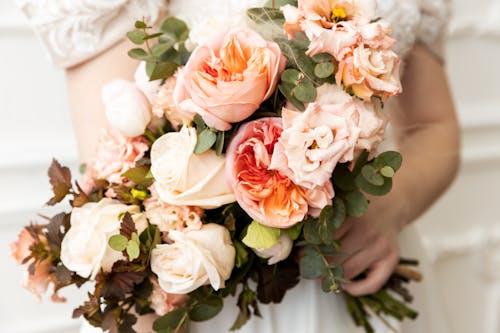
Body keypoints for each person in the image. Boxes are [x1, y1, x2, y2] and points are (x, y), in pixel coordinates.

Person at [17, 0, 460, 332]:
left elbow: (433, 125)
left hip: (361, 266)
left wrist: (392, 205)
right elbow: (120, 178)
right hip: (208, 304)